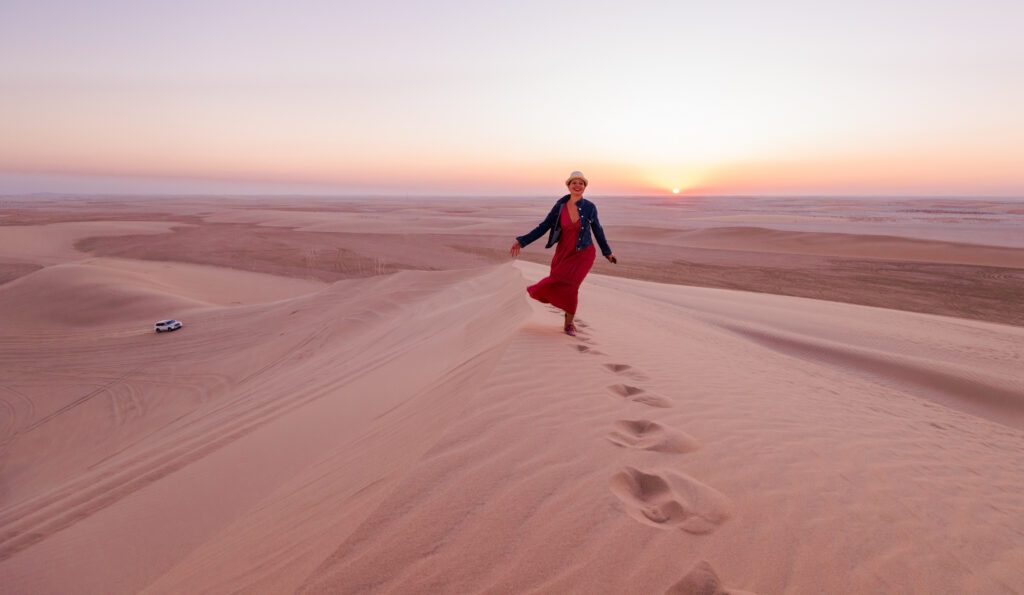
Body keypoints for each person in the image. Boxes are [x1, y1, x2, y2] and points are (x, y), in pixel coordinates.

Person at [510, 171, 617, 336]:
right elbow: (544, 226)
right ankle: (533, 290)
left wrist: (607, 252)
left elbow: (598, 230)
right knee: (556, 280)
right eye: (574, 182)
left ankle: (569, 323)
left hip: (584, 253)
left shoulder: (589, 207)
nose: (577, 186)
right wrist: (522, 241)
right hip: (564, 253)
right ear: (568, 186)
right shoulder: (559, 207)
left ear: (584, 187)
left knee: (572, 285)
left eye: (581, 183)